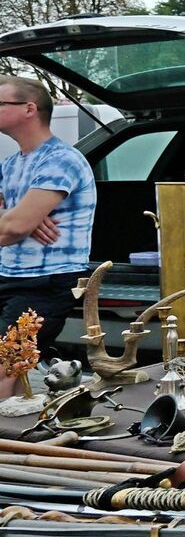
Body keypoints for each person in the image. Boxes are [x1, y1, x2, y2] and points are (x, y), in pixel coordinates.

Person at [0, 76, 96, 360]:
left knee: (8, 365)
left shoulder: (60, 159)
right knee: (13, 371)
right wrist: (21, 215)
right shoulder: (11, 163)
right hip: (9, 274)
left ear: (29, 109)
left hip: (45, 281)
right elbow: (15, 223)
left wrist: (21, 219)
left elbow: (14, 227)